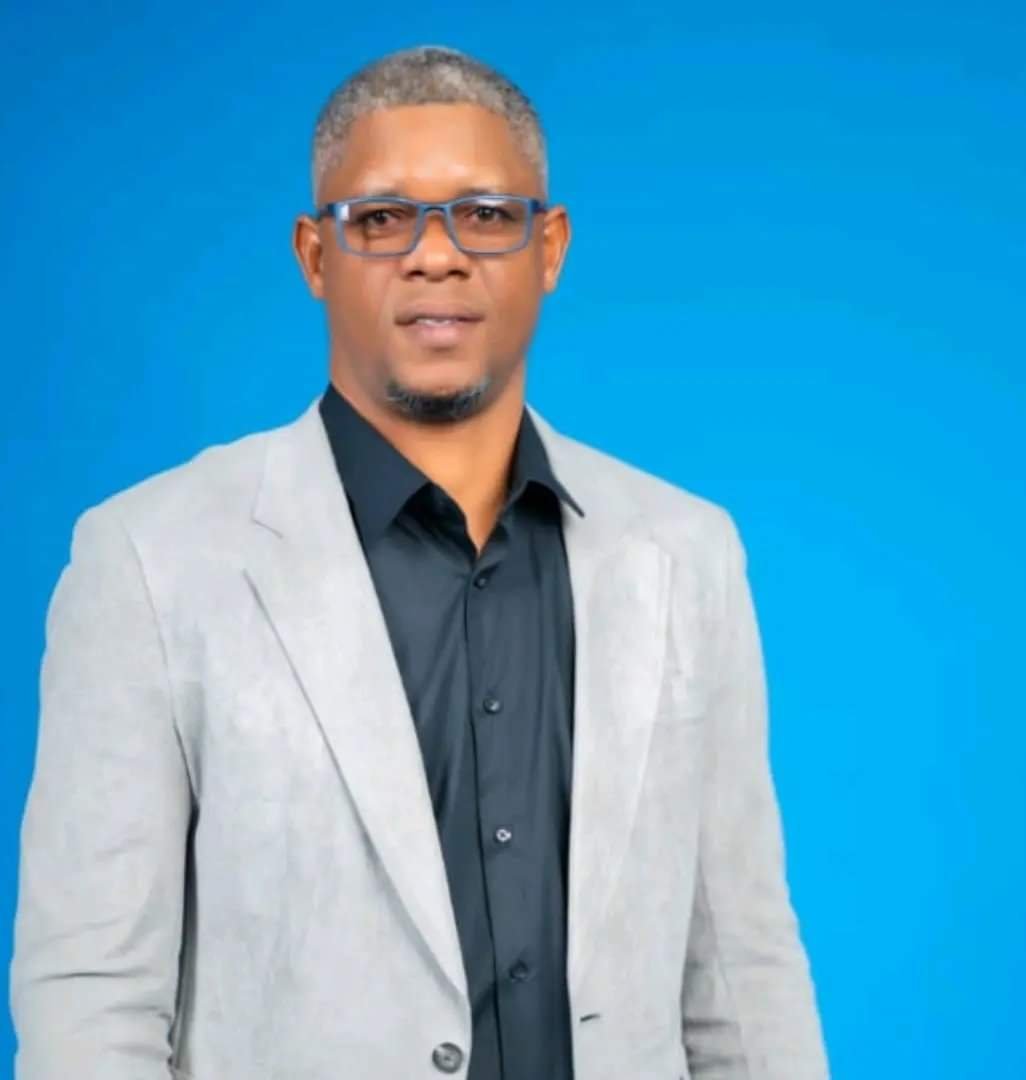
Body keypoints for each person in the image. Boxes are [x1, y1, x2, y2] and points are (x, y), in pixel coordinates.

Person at [9, 44, 829, 1080]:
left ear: (549, 248)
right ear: (315, 255)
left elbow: (742, 969)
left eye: (484, 214)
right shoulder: (150, 559)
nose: (435, 256)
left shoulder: (684, 550)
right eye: (382, 218)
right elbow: (92, 997)